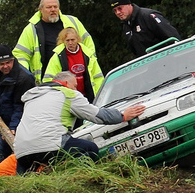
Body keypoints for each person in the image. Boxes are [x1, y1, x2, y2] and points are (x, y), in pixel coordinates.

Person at [13, 71, 145, 175]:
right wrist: (122, 116)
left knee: (26, 176)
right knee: (90, 148)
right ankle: (73, 177)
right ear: (66, 83)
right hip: (50, 145)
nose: (77, 90)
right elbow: (97, 115)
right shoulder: (68, 94)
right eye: (75, 86)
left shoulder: (34, 97)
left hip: (21, 150)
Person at [13, 0, 96, 83]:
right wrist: (25, 76)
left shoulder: (73, 21)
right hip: (47, 81)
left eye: (55, 7)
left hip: (76, 79)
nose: (53, 9)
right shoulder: (32, 29)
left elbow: (88, 43)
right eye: (49, 7)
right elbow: (21, 54)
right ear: (41, 10)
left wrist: (91, 64)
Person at [42, 28, 104, 102]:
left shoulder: (88, 54)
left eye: (73, 40)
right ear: (63, 41)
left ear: (77, 39)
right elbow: (49, 79)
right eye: (67, 40)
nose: (70, 43)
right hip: (67, 98)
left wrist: (99, 96)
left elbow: (97, 77)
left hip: (88, 96)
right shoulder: (58, 57)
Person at [110, 0, 180, 56]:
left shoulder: (148, 16)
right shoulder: (126, 27)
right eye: (115, 11)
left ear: (128, 4)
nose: (118, 12)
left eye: (120, 8)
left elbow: (173, 38)